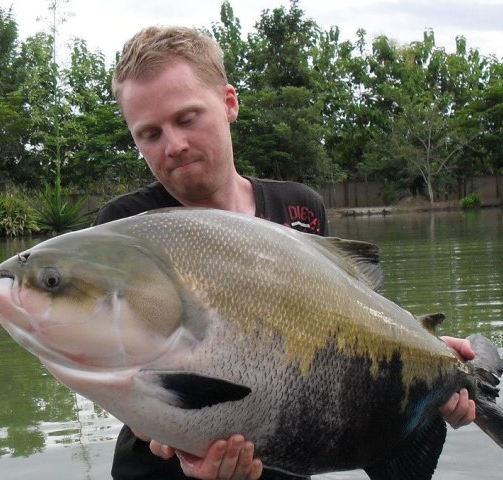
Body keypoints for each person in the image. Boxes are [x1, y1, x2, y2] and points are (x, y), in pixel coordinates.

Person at [94, 25, 476, 480]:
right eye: (149, 133)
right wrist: (162, 433)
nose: (173, 145)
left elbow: (343, 330)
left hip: (289, 462)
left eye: (187, 118)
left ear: (229, 103)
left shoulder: (301, 207)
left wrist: (426, 363)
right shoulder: (123, 231)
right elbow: (115, 372)